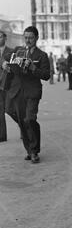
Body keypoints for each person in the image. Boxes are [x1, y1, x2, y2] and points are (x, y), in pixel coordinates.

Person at [1, 26, 50, 163]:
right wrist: (4, 63)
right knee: (22, 122)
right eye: (26, 37)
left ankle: (34, 151)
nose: (28, 40)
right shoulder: (18, 51)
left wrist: (34, 68)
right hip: (18, 92)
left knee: (30, 119)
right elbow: (4, 57)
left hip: (33, 92)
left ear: (37, 38)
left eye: (31, 38)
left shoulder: (42, 56)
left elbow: (46, 75)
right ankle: (29, 150)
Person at [0, 30, 12, 142]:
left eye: (0, 37)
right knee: (0, 110)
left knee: (10, 109)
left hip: (8, 84)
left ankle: (23, 128)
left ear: (5, 38)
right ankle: (2, 136)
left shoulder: (11, 51)